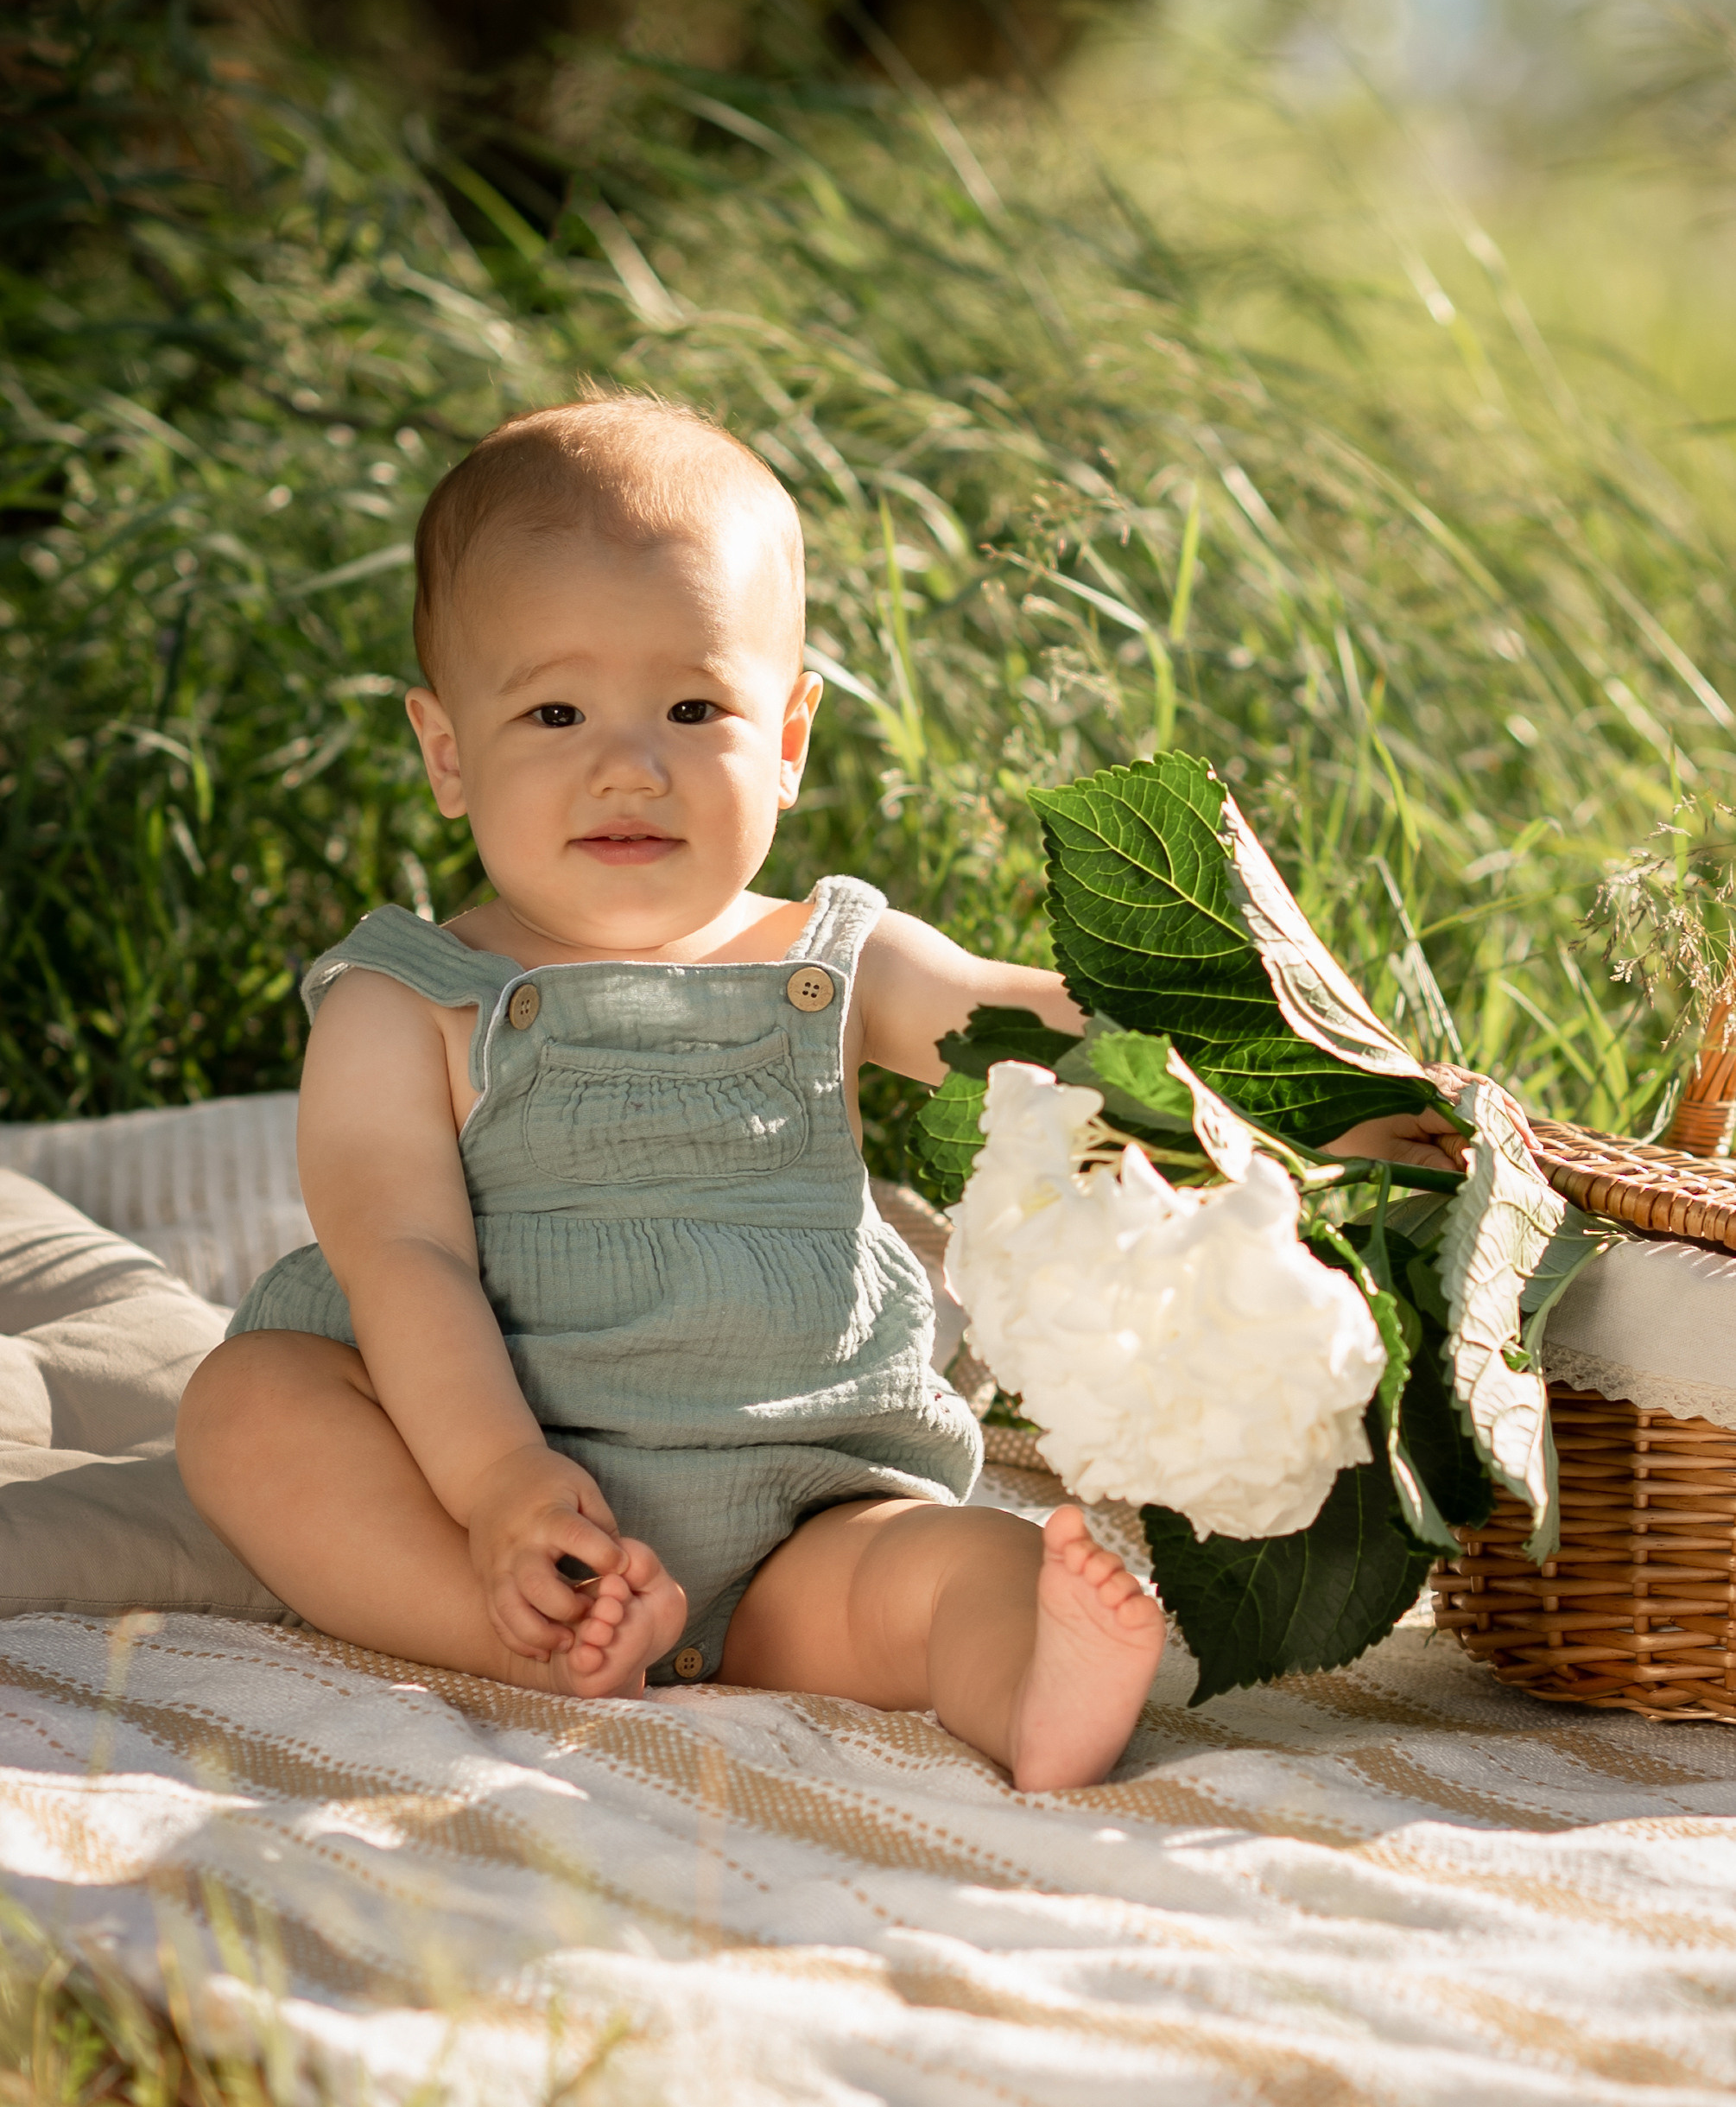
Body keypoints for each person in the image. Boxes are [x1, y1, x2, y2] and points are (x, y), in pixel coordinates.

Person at [177, 396, 1456, 1793]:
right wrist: (498, 1487)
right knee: (249, 1409)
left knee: (971, 1560)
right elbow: (400, 1255)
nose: (630, 765)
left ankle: (1029, 1690)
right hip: (476, 1486)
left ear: (788, 737)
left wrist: (1311, 1093)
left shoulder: (832, 960)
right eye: (553, 710)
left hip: (805, 1505)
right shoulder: (406, 999)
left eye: (693, 708)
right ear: (446, 750)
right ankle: (529, 1630)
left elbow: (1063, 1031)